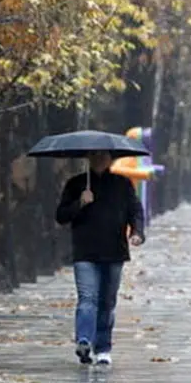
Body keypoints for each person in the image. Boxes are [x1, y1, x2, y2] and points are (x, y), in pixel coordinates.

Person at [55, 151, 145, 366]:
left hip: (114, 251)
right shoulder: (77, 184)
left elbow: (135, 211)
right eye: (95, 156)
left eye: (104, 156)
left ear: (110, 159)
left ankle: (103, 348)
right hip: (85, 251)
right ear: (88, 158)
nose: (100, 159)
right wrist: (80, 203)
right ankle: (84, 341)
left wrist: (137, 232)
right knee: (87, 298)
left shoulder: (122, 184)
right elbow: (61, 216)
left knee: (107, 302)